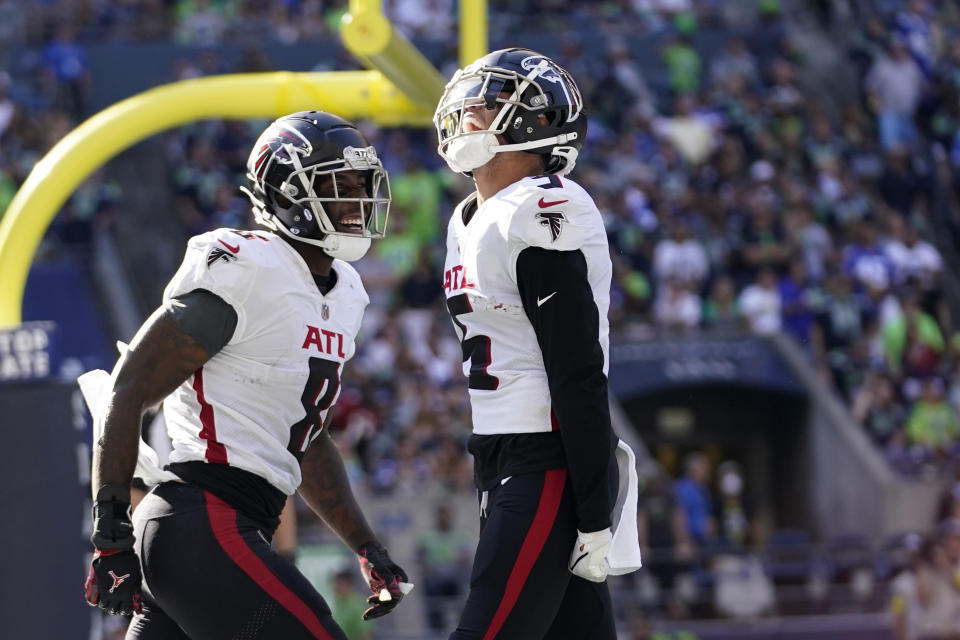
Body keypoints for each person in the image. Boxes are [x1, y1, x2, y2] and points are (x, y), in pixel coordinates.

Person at [82, 111, 409, 639]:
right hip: (200, 520)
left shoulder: (345, 290)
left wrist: (366, 546)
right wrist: (108, 533)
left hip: (223, 528)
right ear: (284, 194)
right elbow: (130, 387)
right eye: (336, 185)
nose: (355, 199)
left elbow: (305, 434)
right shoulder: (246, 266)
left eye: (359, 185)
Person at [433, 48, 641, 640]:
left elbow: (576, 368)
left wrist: (595, 507)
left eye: (488, 102)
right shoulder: (469, 216)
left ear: (534, 122)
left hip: (545, 457)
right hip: (497, 455)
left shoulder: (545, 206)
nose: (469, 111)